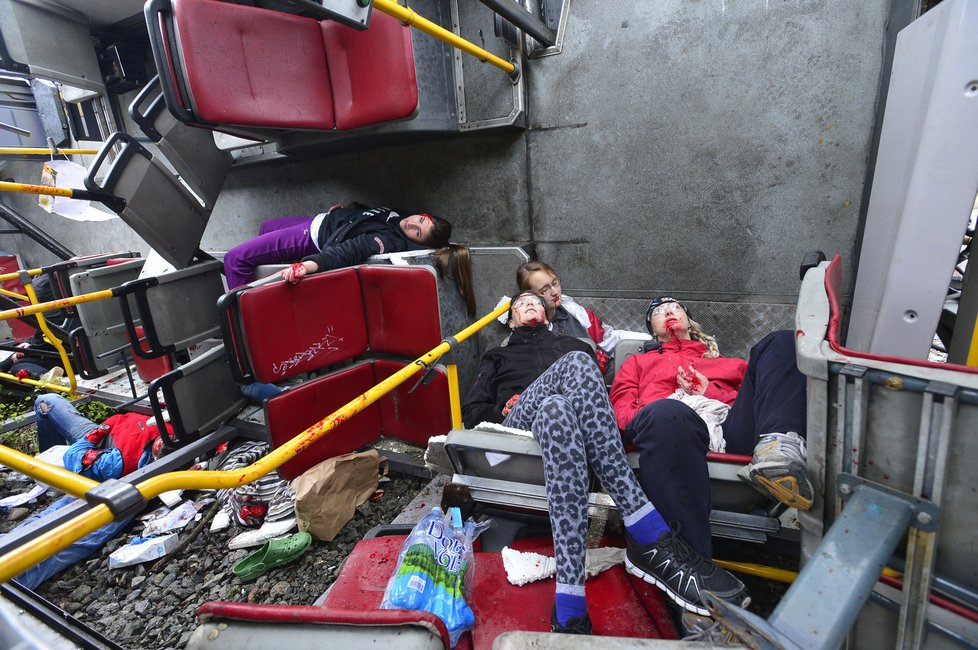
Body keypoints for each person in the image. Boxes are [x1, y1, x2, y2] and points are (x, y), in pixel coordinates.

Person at [462, 292, 747, 633]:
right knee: (574, 369)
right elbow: (474, 412)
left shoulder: (575, 344)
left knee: (557, 409)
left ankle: (569, 608)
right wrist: (502, 408)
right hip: (510, 432)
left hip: (557, 422)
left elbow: (595, 407)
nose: (529, 305)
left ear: (550, 315)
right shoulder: (499, 355)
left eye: (535, 302)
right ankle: (645, 525)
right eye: (520, 304)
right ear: (509, 321)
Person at [610, 297, 811, 560]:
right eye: (658, 312)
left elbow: (758, 404)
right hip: (666, 434)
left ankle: (778, 451)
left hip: (727, 434)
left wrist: (708, 391)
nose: (668, 311)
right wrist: (670, 405)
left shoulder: (729, 365)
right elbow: (621, 413)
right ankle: (688, 562)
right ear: (652, 330)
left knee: (783, 342)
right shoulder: (637, 364)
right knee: (669, 414)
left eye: (675, 307)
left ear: (689, 320)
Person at [6, 395, 173, 589]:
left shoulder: (119, 464)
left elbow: (73, 456)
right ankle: (49, 475)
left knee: (52, 538)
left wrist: (93, 437)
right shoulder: (168, 420)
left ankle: (15, 577)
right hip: (106, 439)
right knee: (46, 401)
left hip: (103, 455)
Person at [222, 203, 453, 289]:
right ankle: (260, 289)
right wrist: (351, 208)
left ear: (416, 242)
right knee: (266, 228)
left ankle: (242, 322)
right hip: (320, 220)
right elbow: (371, 216)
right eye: (421, 220)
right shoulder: (402, 216)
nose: (412, 223)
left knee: (235, 259)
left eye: (418, 232)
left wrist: (309, 266)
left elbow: (350, 251)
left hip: (313, 236)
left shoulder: (389, 240)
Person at [516, 261, 620, 373]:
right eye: (544, 290)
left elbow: (607, 339)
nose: (555, 292)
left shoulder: (572, 310)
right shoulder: (527, 334)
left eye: (555, 283)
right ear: (529, 297)